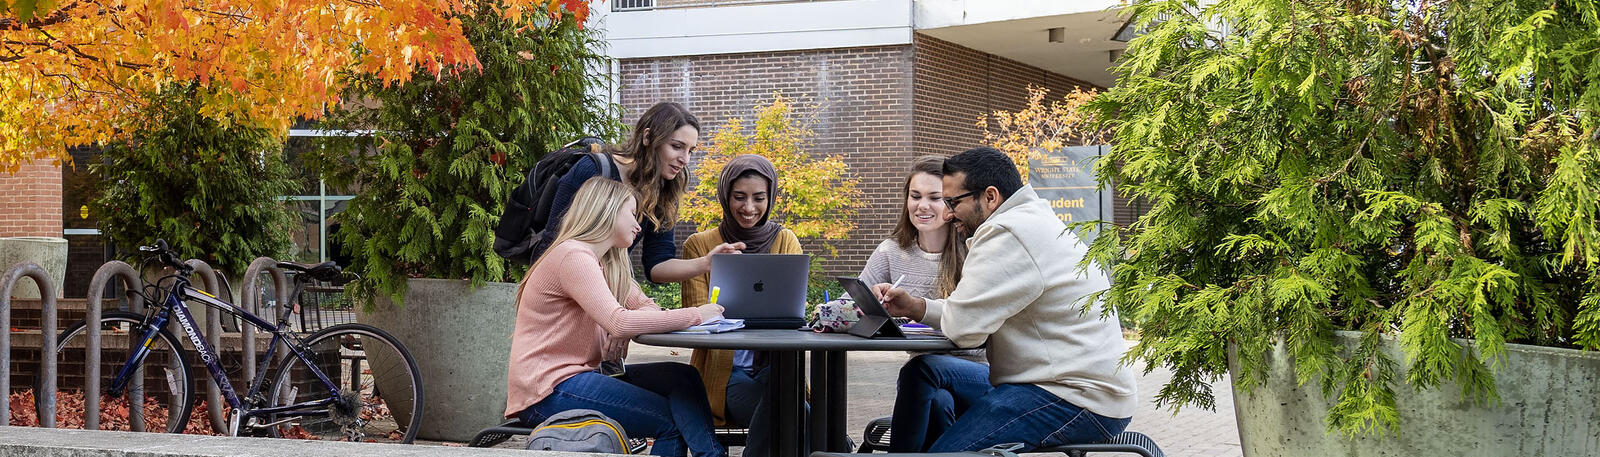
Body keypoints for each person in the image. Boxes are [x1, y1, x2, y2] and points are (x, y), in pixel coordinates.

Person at [874, 147, 1136, 452]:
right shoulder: (1029, 218)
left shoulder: (1008, 234)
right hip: (1050, 383)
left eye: (952, 202)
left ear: (990, 196)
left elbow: (963, 331)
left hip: (1072, 398)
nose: (946, 213)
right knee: (923, 370)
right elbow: (967, 311)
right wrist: (915, 307)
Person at [506, 178, 729, 457]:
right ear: (608, 210)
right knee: (669, 422)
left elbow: (646, 308)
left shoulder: (606, 264)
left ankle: (710, 453)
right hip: (548, 390)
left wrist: (619, 325)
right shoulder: (572, 256)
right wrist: (697, 314)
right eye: (632, 213)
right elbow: (620, 320)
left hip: (578, 378)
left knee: (682, 377)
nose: (638, 225)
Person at [537, 101, 743, 283]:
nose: (685, 159)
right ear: (647, 137)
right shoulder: (594, 169)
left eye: (690, 150)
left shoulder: (665, 190)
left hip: (611, 291)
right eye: (676, 146)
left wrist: (707, 263)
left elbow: (657, 264)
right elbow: (552, 242)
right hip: (567, 291)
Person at [679, 155, 802, 457]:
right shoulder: (699, 245)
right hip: (726, 374)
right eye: (739, 197)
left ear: (770, 197)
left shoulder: (785, 241)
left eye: (759, 198)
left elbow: (793, 314)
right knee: (798, 415)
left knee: (785, 393)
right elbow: (696, 317)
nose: (749, 208)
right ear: (725, 196)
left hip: (773, 368)